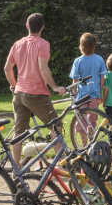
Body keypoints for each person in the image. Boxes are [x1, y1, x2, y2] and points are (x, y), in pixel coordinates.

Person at [4, 12, 66, 167]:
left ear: (27, 26)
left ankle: (16, 167)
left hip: (19, 94)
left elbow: (7, 68)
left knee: (18, 133)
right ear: (42, 27)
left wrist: (13, 84)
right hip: (35, 94)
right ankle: (61, 162)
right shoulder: (43, 44)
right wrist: (55, 87)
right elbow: (43, 68)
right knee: (56, 125)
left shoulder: (17, 44)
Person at [68, 32, 108, 141]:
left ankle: (83, 146)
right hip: (94, 94)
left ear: (81, 46)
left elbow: (74, 81)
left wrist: (75, 94)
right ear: (94, 45)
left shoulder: (78, 61)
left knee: (82, 120)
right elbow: (102, 79)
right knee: (92, 119)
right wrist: (100, 93)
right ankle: (92, 143)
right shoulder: (99, 59)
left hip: (81, 96)